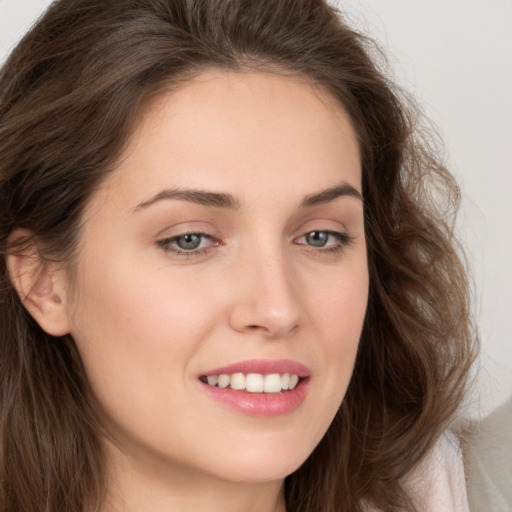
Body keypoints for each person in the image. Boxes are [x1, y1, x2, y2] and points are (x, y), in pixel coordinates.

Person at [0, 0, 477, 511]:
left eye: (320, 237)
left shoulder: (466, 491)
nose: (277, 309)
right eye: (190, 240)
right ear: (43, 281)